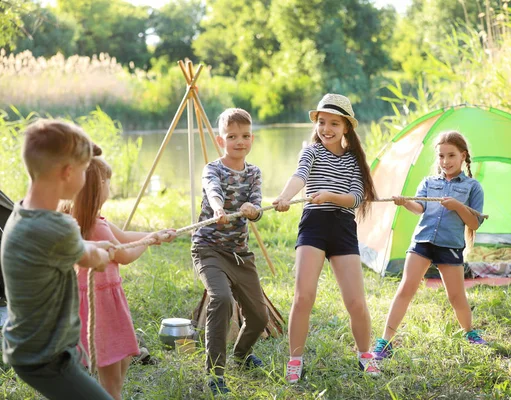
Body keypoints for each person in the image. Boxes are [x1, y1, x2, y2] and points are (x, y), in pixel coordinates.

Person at [0, 119, 113, 399]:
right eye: (85, 170)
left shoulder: (22, 212)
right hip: (46, 357)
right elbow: (93, 259)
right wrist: (101, 250)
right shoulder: (57, 228)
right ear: (67, 172)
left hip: (35, 347)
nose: (87, 178)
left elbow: (63, 248)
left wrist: (93, 246)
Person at [273, 93, 380, 383]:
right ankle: (295, 359)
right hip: (314, 225)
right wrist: (284, 197)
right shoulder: (311, 151)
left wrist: (330, 196)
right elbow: (299, 176)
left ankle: (365, 355)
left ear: (346, 127)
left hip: (343, 227)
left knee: (356, 302)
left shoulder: (354, 161)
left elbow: (357, 198)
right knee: (304, 296)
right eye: (322, 122)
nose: (326, 128)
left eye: (334, 123)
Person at [64, 156, 175, 400]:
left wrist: (153, 234)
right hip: (102, 303)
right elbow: (124, 255)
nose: (110, 188)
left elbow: (123, 236)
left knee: (122, 357)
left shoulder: (84, 219)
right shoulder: (96, 226)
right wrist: (149, 242)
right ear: (98, 185)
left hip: (99, 300)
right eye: (108, 183)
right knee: (111, 372)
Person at [373, 131, 487, 360]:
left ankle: (469, 332)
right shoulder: (429, 182)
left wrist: (457, 206)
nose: (445, 162)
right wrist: (405, 203)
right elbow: (419, 208)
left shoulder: (473, 187)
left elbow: (474, 222)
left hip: (450, 246)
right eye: (441, 156)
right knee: (406, 288)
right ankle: (385, 341)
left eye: (451, 155)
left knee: (456, 296)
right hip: (422, 242)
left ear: (463, 156)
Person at [190, 108, 268, 396]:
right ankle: (215, 374)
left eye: (245, 136)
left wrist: (252, 210)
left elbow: (257, 205)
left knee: (259, 317)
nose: (240, 141)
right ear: (221, 141)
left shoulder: (254, 173)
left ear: (252, 138)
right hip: (208, 249)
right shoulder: (213, 169)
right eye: (232, 136)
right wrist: (219, 207)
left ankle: (241, 354)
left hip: (239, 253)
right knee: (221, 299)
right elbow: (213, 190)